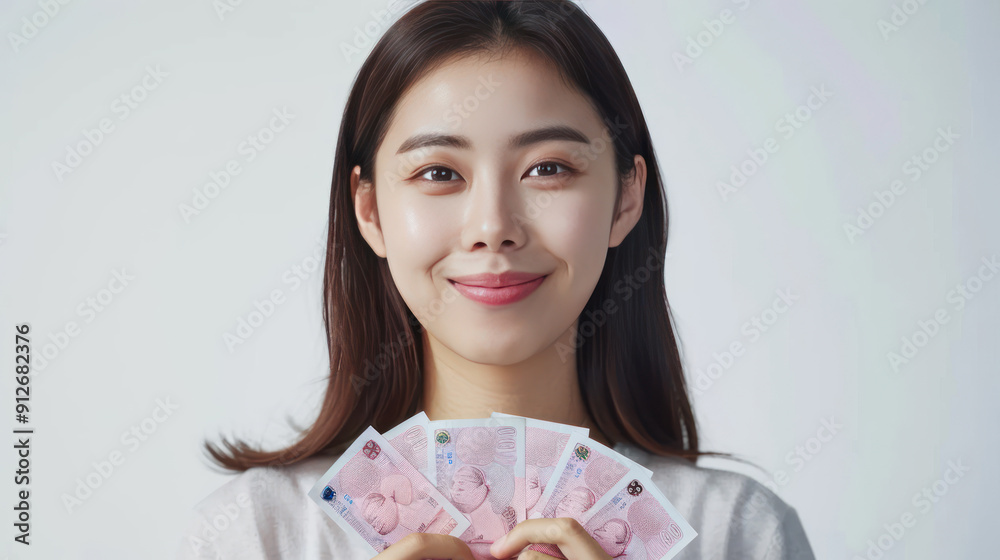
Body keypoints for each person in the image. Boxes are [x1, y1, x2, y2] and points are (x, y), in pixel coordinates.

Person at [176, 1, 815, 558]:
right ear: (369, 211)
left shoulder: (739, 535)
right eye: (438, 174)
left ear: (625, 199)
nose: (493, 227)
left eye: (548, 168)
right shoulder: (251, 536)